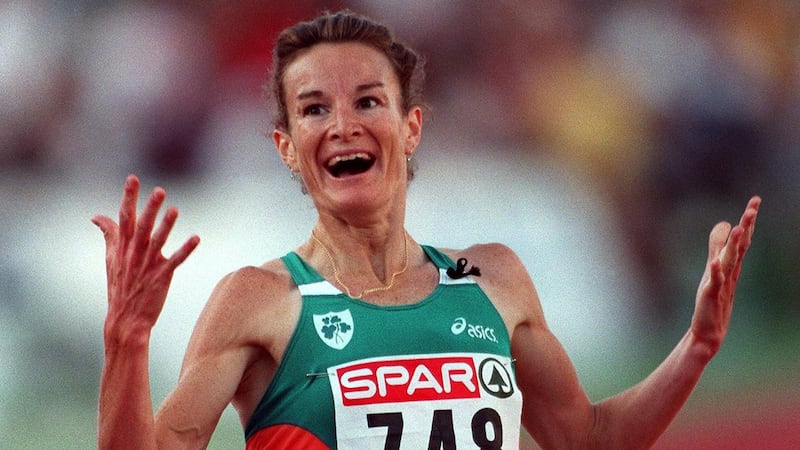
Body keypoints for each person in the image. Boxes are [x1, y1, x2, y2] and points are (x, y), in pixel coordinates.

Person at [92, 10, 761, 450]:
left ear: (411, 129)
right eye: (314, 108)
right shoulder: (259, 301)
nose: (343, 125)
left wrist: (698, 347)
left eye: (368, 101)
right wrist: (126, 344)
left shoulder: (492, 279)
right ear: (288, 147)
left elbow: (586, 441)